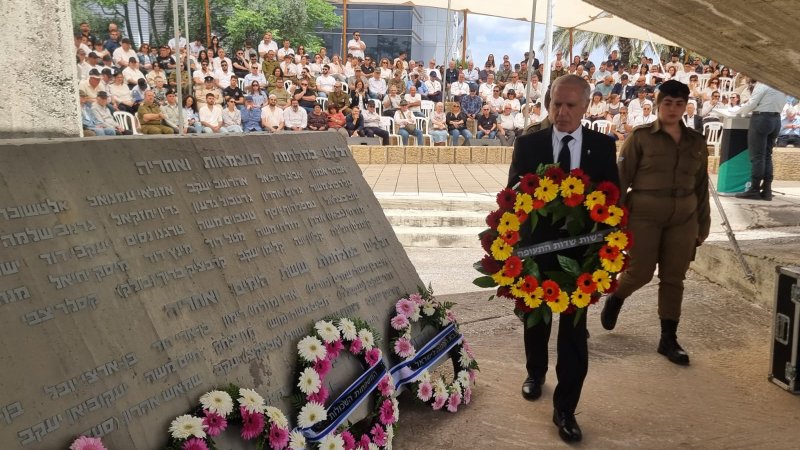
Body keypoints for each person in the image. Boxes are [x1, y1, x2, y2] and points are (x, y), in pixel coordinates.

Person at [507, 75, 619, 444]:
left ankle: (566, 409)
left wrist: (606, 255)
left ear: (587, 106)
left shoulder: (603, 147)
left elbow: (612, 203)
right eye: (556, 103)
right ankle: (535, 372)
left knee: (574, 335)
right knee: (535, 322)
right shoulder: (528, 145)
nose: (562, 112)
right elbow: (512, 199)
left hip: (582, 262)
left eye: (571, 105)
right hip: (537, 256)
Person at [600, 80, 710, 368]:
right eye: (667, 103)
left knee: (675, 277)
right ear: (659, 104)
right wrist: (614, 221)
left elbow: (701, 187)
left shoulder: (696, 142)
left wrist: (703, 223)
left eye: (679, 104)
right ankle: (617, 297)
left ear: (686, 106)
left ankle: (668, 338)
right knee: (641, 272)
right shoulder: (641, 137)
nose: (673, 109)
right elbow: (621, 180)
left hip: (684, 217)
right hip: (644, 214)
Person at [734, 81, 787, 200]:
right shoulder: (783, 86)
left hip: (762, 119)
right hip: (776, 119)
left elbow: (752, 103)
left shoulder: (763, 83)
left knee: (758, 156)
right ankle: (767, 189)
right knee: (767, 155)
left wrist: (736, 111)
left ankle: (754, 189)